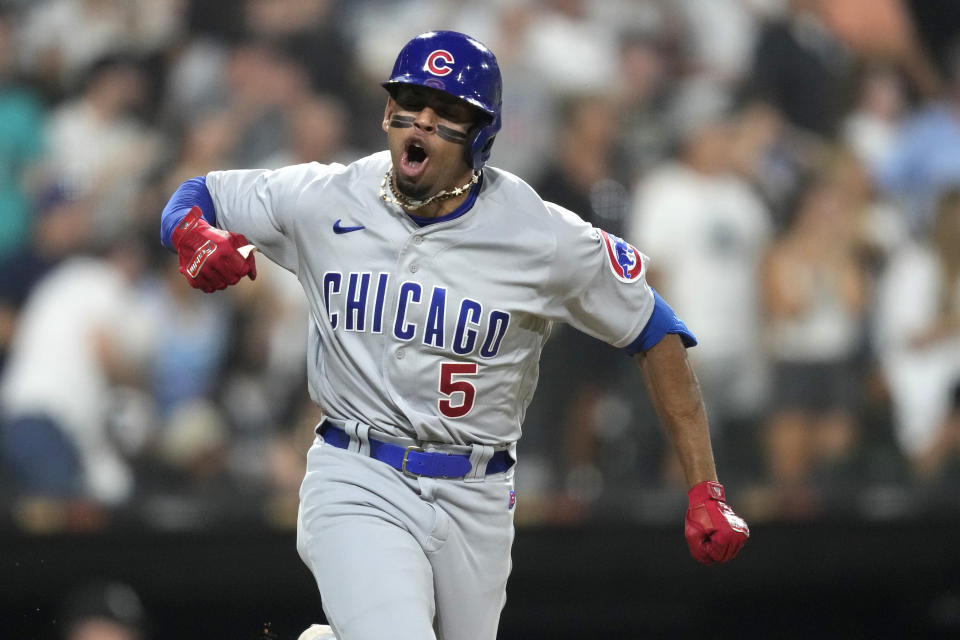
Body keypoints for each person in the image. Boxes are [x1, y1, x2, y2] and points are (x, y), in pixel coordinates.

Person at [159, 30, 749, 640]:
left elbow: (655, 330)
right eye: (409, 103)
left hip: (479, 495)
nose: (420, 123)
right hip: (358, 472)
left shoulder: (540, 236)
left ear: (481, 137)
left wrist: (705, 486)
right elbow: (196, 193)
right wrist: (190, 234)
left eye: (446, 114)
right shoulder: (325, 198)